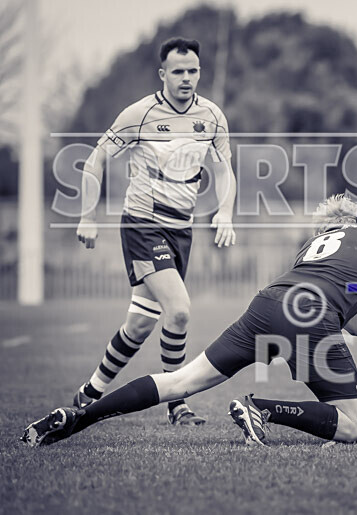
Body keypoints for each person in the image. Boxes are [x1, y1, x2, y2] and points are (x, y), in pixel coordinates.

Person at [21, 195, 357, 447]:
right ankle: (263, 409)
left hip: (268, 304)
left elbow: (352, 324)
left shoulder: (315, 248)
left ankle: (78, 417)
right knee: (355, 425)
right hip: (309, 317)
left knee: (181, 381)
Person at [72, 37, 237, 425]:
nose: (186, 78)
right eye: (178, 71)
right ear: (162, 74)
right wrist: (86, 216)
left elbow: (224, 170)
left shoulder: (212, 116)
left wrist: (225, 212)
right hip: (143, 225)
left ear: (200, 72)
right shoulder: (139, 114)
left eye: (192, 70)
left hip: (182, 230)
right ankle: (177, 404)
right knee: (178, 311)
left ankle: (89, 392)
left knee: (141, 323)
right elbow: (95, 160)